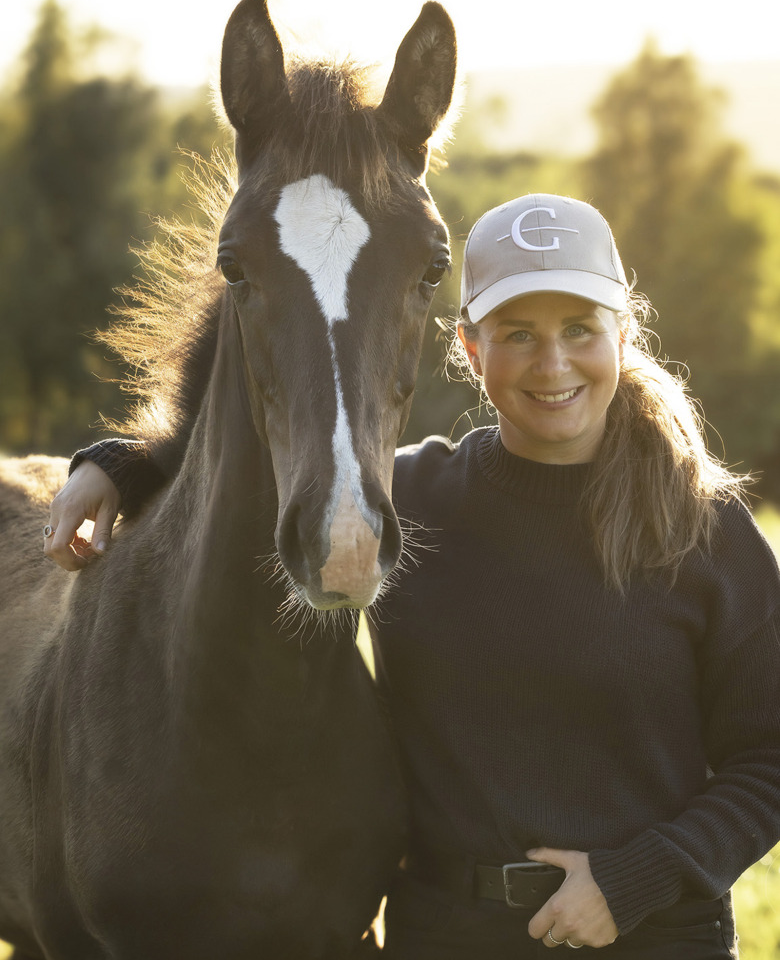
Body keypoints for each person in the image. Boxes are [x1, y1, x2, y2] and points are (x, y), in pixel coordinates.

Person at [45, 194, 780, 958]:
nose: (552, 362)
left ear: (622, 337)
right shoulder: (408, 499)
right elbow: (243, 479)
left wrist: (633, 880)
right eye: (519, 334)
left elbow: (769, 757)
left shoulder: (704, 528)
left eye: (579, 330)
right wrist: (115, 465)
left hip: (655, 938)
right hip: (448, 937)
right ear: (468, 347)